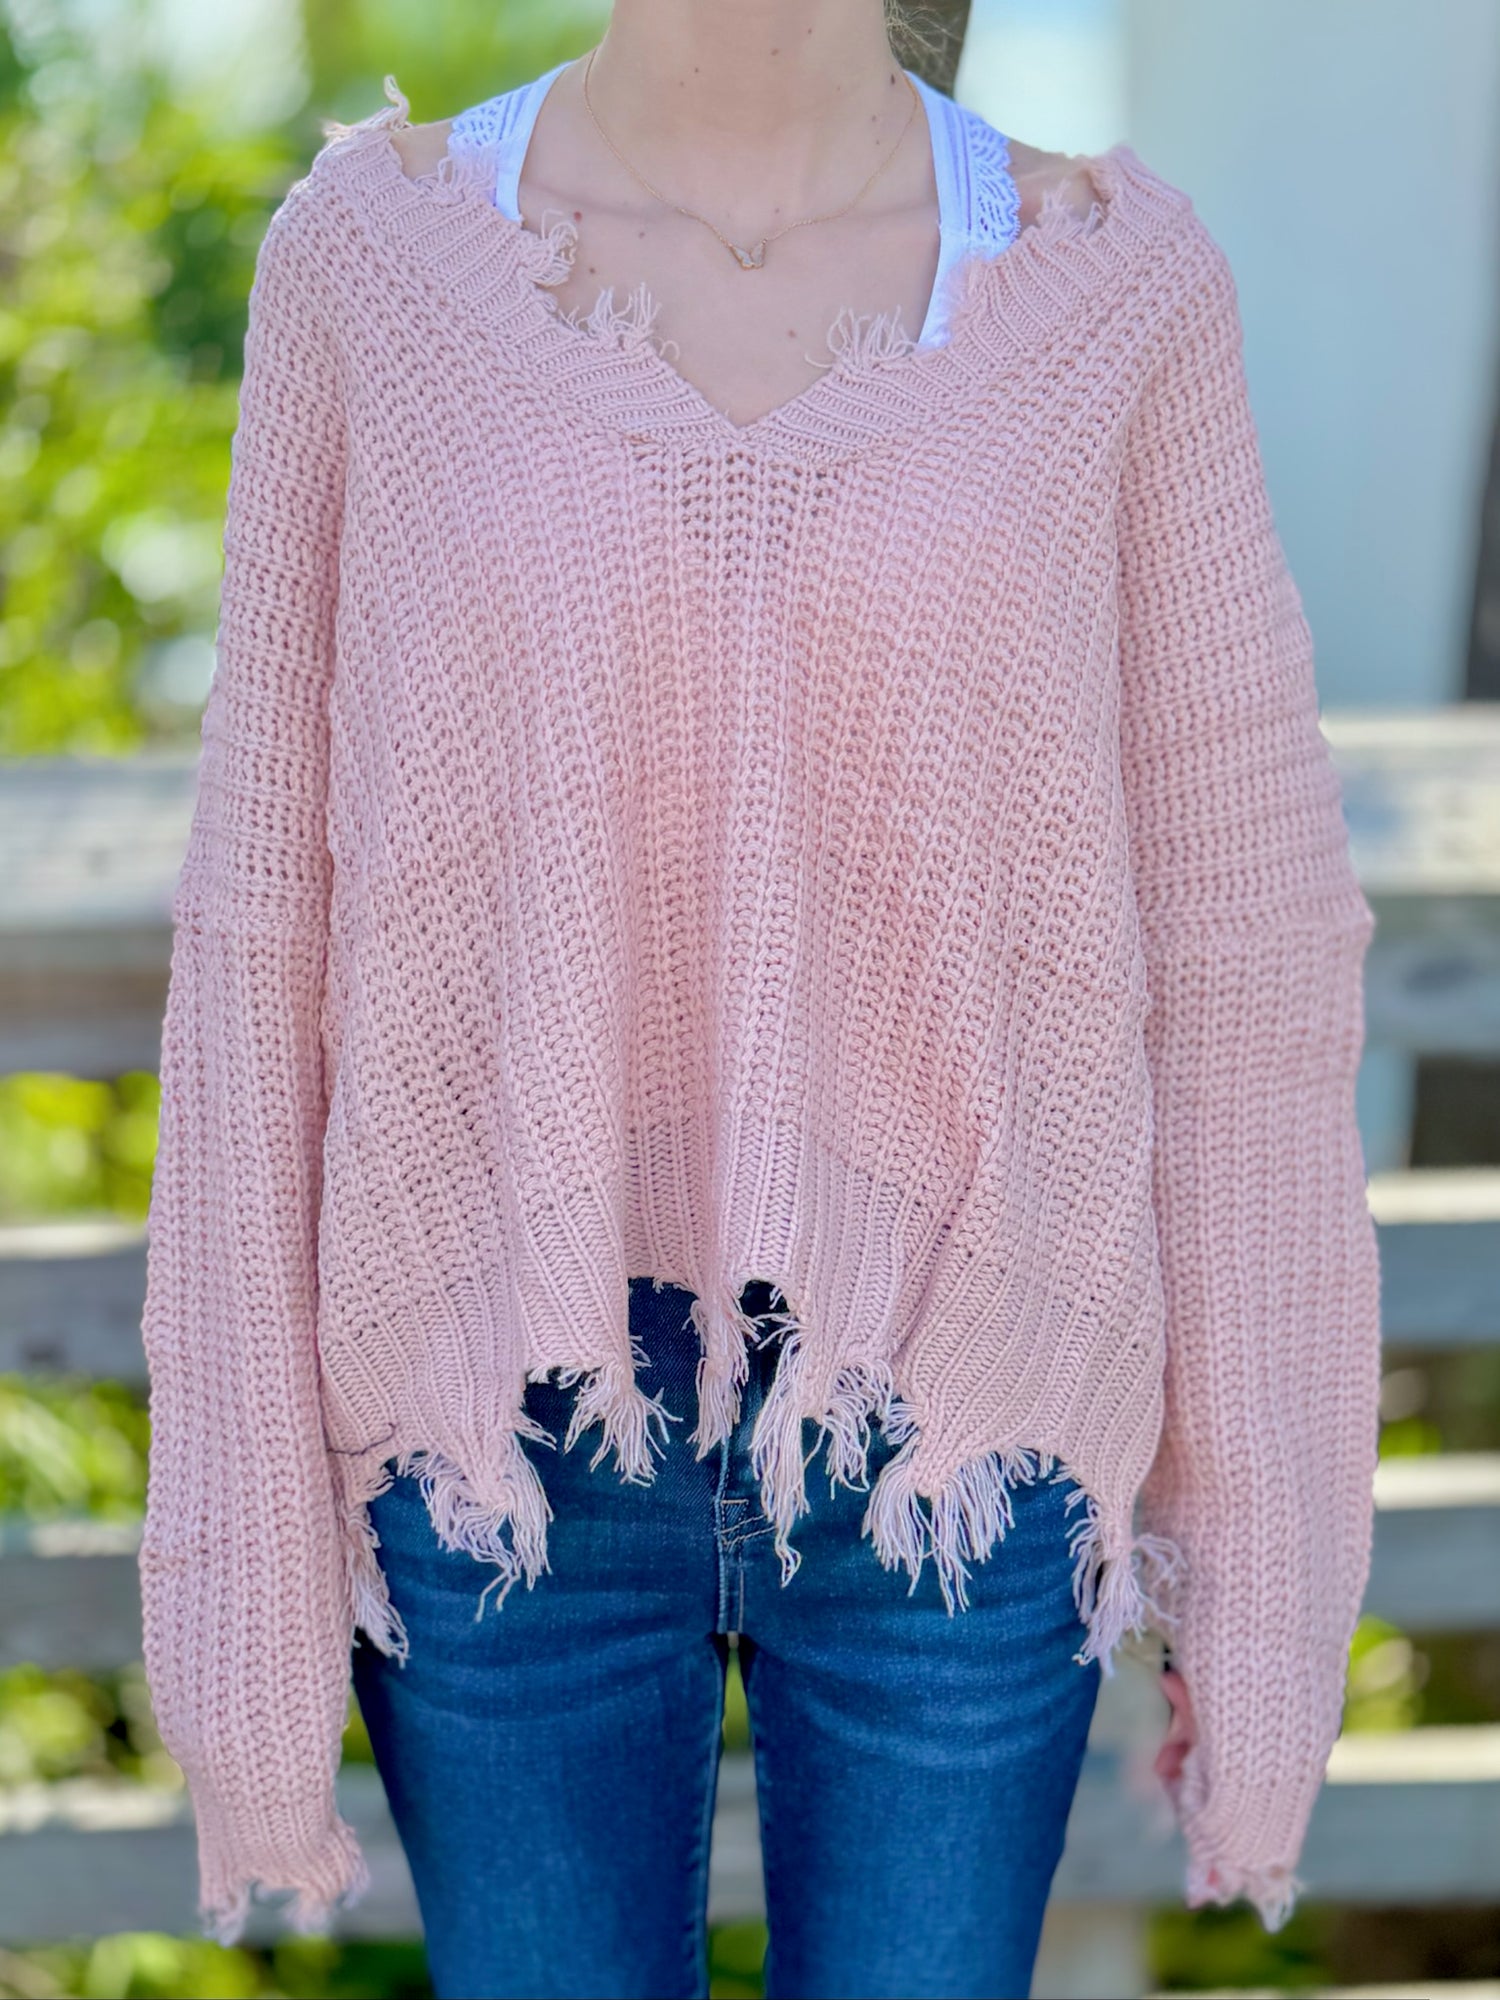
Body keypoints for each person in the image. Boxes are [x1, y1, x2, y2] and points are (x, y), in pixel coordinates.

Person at [136, 3, 1382, 1997]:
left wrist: (1264, 1563)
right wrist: (242, 1572)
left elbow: (1240, 952)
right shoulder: (371, 265)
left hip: (967, 1417)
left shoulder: (1117, 292)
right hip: (500, 1409)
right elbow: (263, 926)